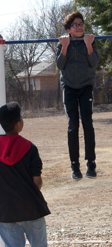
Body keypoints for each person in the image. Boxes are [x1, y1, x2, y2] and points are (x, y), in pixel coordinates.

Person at [0, 102, 50, 247]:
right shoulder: (30, 148)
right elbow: (37, 181)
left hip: (5, 212)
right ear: (19, 123)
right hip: (32, 208)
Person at [56, 11, 99, 180]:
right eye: (75, 25)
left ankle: (91, 164)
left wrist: (89, 45)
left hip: (85, 86)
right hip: (69, 87)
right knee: (73, 125)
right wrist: (65, 46)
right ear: (69, 29)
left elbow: (94, 63)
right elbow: (60, 65)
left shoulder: (90, 41)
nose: (79, 27)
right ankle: (75, 166)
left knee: (87, 122)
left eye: (81, 24)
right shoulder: (62, 43)